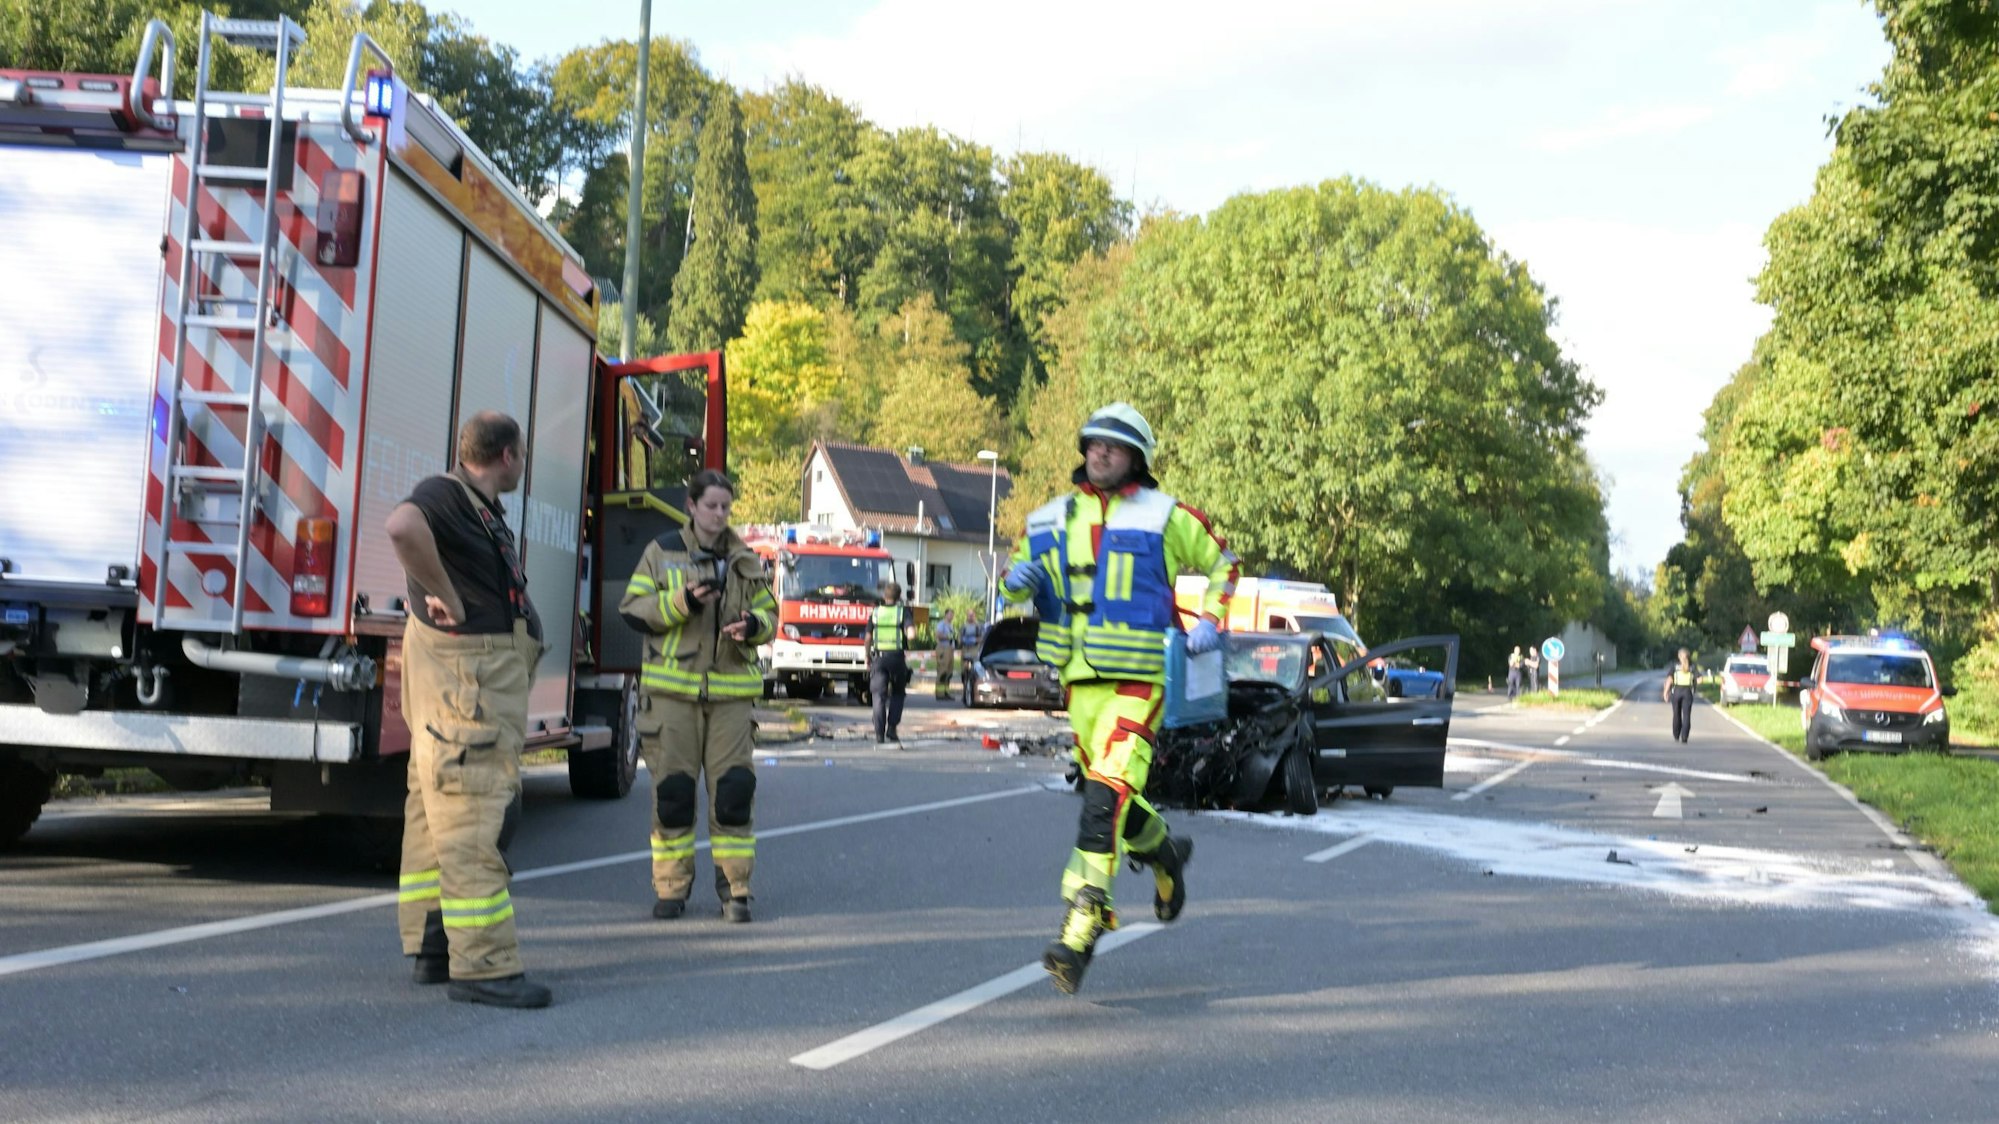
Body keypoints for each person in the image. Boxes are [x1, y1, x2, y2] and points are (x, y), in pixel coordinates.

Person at [1003, 402, 1237, 995]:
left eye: (1114, 445)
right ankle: (1165, 857)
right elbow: (1013, 578)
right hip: (1078, 682)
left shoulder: (1166, 515)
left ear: (1136, 457)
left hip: (1141, 680)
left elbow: (1224, 565)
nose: (1100, 452)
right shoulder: (1051, 518)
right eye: (1093, 443)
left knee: (1102, 802)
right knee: (1112, 799)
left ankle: (1082, 925)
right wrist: (1017, 580)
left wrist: (1210, 618)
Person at [384, 411, 551, 1009]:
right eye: (522, 456)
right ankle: (484, 967)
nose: (522, 465)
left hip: (462, 688)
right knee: (478, 821)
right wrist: (449, 597)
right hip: (468, 690)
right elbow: (402, 526)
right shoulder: (445, 495)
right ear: (507, 455)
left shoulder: (470, 506)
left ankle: (435, 947)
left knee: (438, 822)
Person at [619, 469, 778, 923]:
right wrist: (682, 603)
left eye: (726, 507)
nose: (719, 514)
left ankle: (736, 891)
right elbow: (633, 609)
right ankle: (671, 889)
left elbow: (770, 614)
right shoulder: (662, 551)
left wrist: (752, 626)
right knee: (673, 795)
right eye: (711, 505)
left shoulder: (746, 558)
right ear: (691, 506)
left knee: (733, 794)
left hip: (730, 696)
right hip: (672, 696)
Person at [869, 582, 915, 742]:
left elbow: (868, 637)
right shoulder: (903, 612)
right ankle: (892, 728)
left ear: (884, 596)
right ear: (899, 597)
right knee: (897, 694)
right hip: (896, 658)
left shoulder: (875, 612)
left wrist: (866, 656)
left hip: (879, 659)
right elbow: (911, 635)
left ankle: (879, 734)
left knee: (878, 696)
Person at [1664, 648, 1697, 743]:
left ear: (1679, 656)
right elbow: (1700, 679)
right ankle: (1684, 737)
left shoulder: (1675, 666)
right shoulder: (1692, 667)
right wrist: (1695, 684)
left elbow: (1670, 679)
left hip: (1676, 692)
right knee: (1687, 715)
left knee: (1676, 714)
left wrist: (1666, 692)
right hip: (1688, 692)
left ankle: (1676, 734)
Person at [932, 609, 959, 700]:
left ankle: (946, 692)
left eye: (953, 614)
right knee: (942, 672)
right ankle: (939, 694)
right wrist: (949, 636)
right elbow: (938, 635)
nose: (951, 616)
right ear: (946, 615)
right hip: (943, 649)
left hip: (950, 649)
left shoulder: (951, 625)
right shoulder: (941, 624)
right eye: (950, 614)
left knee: (948, 673)